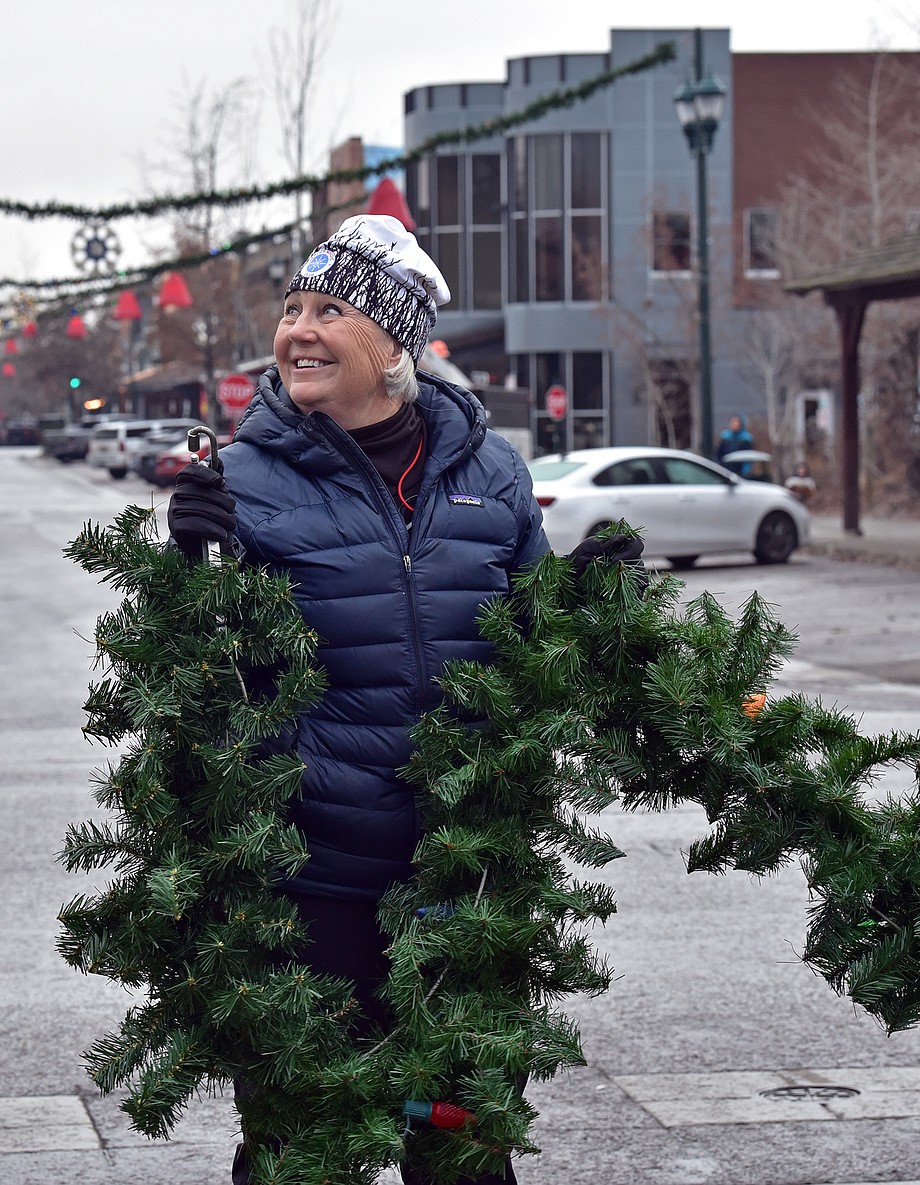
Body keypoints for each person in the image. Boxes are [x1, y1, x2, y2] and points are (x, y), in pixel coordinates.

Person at [168, 215, 640, 1184]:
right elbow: (190, 679)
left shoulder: (492, 473)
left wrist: (592, 601)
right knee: (307, 1150)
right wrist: (187, 565)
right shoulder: (241, 480)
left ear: (396, 346)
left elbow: (534, 651)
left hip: (460, 881)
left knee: (461, 1143)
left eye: (329, 310)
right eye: (291, 309)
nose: (297, 328)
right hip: (310, 885)